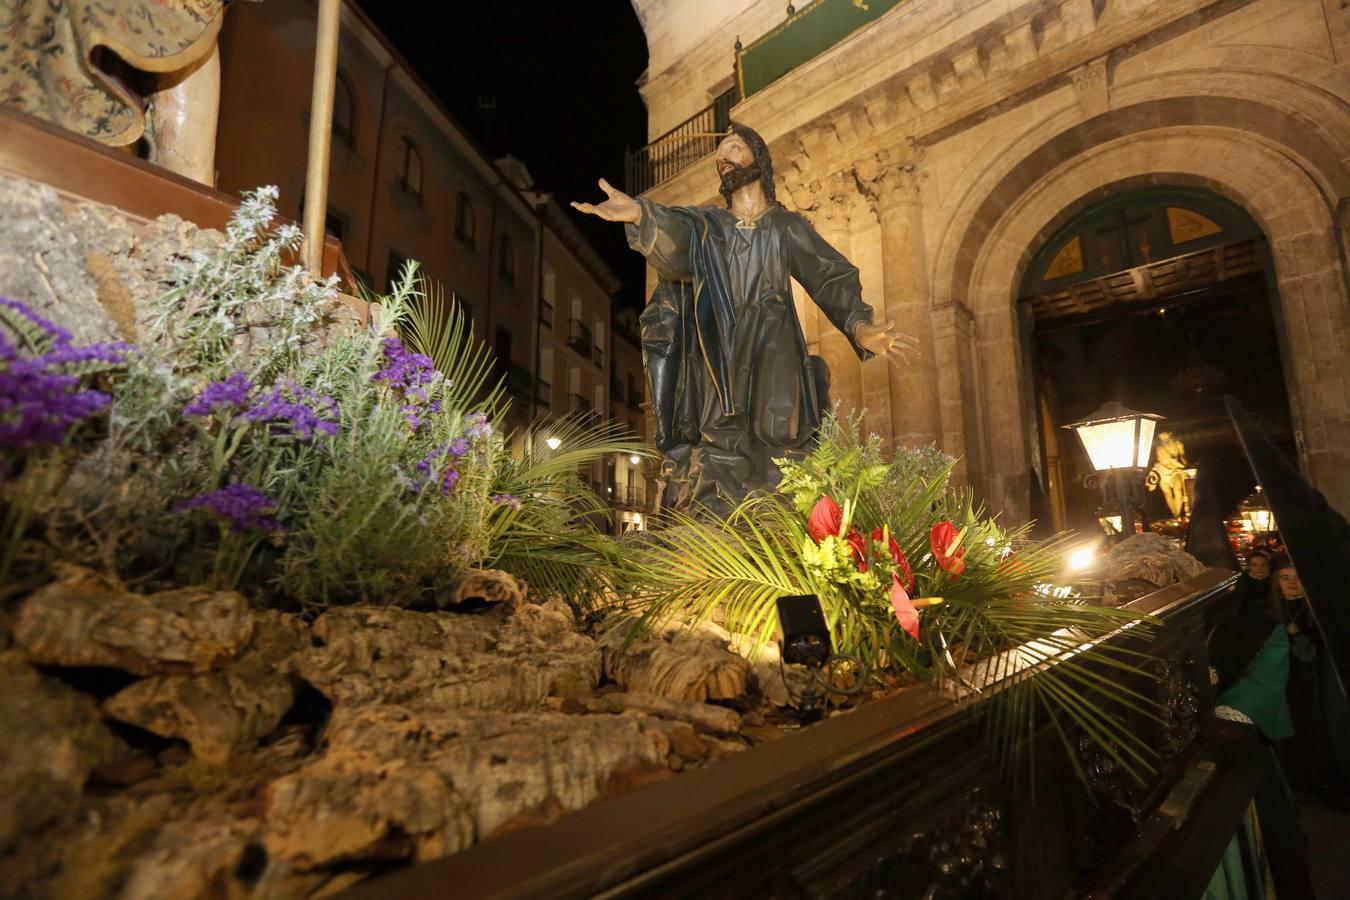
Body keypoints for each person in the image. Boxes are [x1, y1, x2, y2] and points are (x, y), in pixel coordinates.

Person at [572, 123, 917, 515]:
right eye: (720, 153)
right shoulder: (708, 225)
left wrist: (859, 324)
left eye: (734, 147)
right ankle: (716, 522)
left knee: (781, 430)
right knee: (720, 433)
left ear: (758, 158)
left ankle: (779, 517)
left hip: (775, 340)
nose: (724, 157)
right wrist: (640, 215)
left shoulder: (785, 226)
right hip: (721, 342)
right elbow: (678, 242)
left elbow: (828, 274)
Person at [1215, 556, 1350, 802]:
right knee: (1293, 731)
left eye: (1297, 577)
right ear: (1276, 582)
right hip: (1283, 681)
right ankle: (1299, 783)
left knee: (1318, 729)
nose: (1292, 583)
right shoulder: (1263, 612)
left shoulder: (1317, 611)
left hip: (1313, 679)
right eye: (1285, 578)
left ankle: (1324, 782)